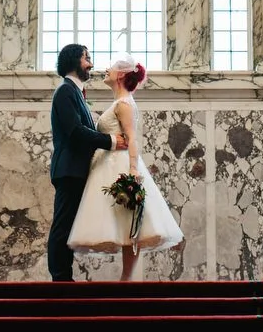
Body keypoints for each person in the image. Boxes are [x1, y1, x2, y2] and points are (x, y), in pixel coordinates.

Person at [67, 55, 184, 280]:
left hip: (119, 164)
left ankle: (126, 279)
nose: (106, 70)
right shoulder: (119, 102)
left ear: (120, 74)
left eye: (111, 68)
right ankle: (126, 279)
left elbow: (132, 138)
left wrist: (132, 169)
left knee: (130, 221)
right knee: (122, 220)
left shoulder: (124, 104)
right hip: (108, 163)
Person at [48, 43, 126, 282]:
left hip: (76, 170)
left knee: (68, 224)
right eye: (87, 58)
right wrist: (111, 141)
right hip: (69, 170)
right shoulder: (65, 91)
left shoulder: (75, 92)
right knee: (63, 225)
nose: (91, 64)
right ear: (74, 61)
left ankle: (64, 276)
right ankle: (60, 279)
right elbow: (75, 131)